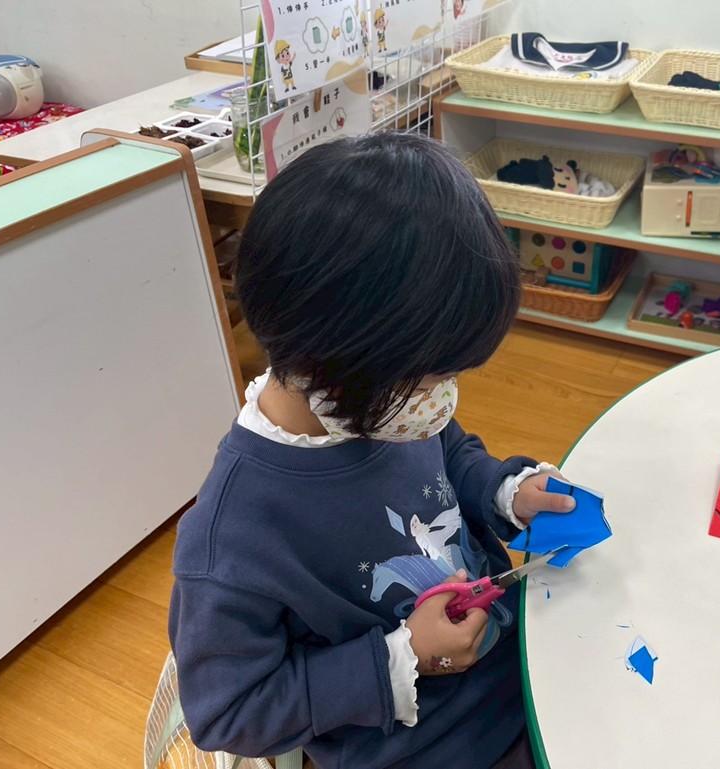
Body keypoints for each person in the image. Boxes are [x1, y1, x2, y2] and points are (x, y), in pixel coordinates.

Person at [168, 132, 578, 769]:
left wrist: (505, 491)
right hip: (433, 747)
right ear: (338, 360)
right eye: (431, 379)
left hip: (525, 664)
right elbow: (228, 713)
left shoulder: (383, 408)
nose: (443, 400)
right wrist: (400, 657)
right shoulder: (234, 535)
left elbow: (451, 456)